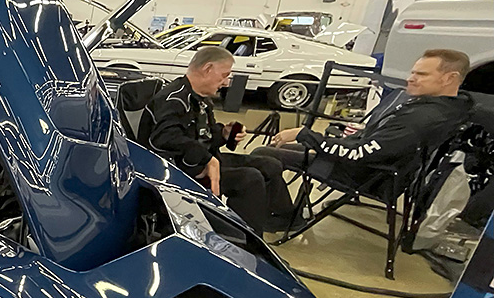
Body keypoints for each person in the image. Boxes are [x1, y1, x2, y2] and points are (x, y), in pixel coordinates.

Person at [253, 49, 474, 185]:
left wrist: (305, 134)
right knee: (280, 151)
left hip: (362, 173)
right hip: (370, 164)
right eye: (413, 72)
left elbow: (359, 154)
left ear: (449, 78)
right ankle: (281, 212)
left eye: (421, 74)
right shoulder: (447, 108)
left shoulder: (423, 117)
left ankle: (279, 216)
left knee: (263, 155)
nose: (410, 78)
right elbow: (381, 144)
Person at [138, 44, 291, 234]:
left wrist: (224, 134)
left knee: (270, 164)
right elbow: (164, 138)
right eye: (224, 75)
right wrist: (207, 159)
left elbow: (203, 135)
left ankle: (281, 219)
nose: (226, 82)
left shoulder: (201, 98)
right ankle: (244, 241)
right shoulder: (173, 100)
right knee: (250, 179)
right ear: (207, 69)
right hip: (181, 167)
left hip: (202, 159)